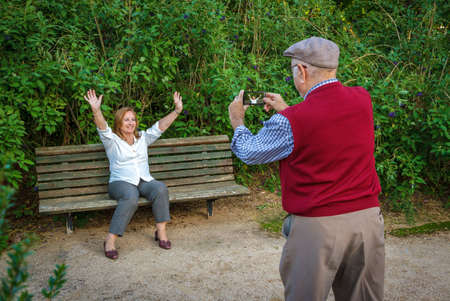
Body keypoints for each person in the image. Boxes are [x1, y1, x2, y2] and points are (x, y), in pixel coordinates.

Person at [228, 37, 384, 301]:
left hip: (318, 228)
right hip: (367, 221)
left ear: (301, 70)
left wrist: (237, 121)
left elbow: (250, 152)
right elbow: (327, 130)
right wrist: (288, 110)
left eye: (293, 70)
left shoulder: (291, 120)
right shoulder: (362, 99)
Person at [84, 89, 183, 259]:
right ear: (119, 123)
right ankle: (110, 240)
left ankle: (161, 233)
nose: (130, 123)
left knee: (160, 188)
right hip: (120, 183)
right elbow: (101, 126)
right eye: (126, 120)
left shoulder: (142, 138)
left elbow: (161, 126)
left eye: (133, 120)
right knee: (131, 196)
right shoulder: (112, 140)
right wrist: (96, 110)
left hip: (143, 180)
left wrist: (176, 111)